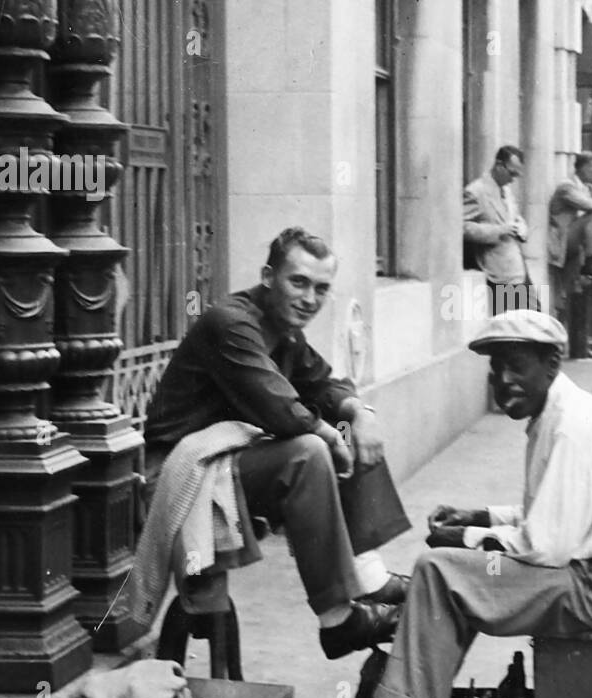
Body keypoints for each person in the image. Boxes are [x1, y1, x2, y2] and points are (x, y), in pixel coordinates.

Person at [329, 309, 592, 698]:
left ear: (551, 365)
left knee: (439, 572)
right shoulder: (560, 411)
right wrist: (479, 517)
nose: (504, 380)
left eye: (517, 366)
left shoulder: (569, 427)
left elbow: (546, 547)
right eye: (496, 367)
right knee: (451, 581)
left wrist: (465, 542)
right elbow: (548, 516)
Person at [144, 227, 404, 663]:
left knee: (350, 429)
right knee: (310, 452)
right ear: (268, 276)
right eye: (297, 282)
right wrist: (329, 433)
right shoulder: (231, 323)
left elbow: (323, 384)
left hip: (222, 462)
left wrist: (361, 414)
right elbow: (281, 410)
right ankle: (338, 620)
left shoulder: (286, 330)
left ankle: (369, 575)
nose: (309, 298)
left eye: (321, 289)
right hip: (180, 472)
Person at [463, 145, 538, 314]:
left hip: (517, 267)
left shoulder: (506, 190)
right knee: (509, 326)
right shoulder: (475, 191)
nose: (513, 180)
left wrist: (522, 227)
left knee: (532, 321)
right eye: (512, 173)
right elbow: (462, 228)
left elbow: (514, 216)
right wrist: (499, 230)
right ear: (499, 165)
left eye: (517, 175)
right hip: (498, 271)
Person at [547, 151, 592, 321]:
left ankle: (576, 346)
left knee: (573, 294)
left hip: (576, 245)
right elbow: (587, 205)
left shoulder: (585, 187)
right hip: (563, 241)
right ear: (583, 168)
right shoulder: (566, 186)